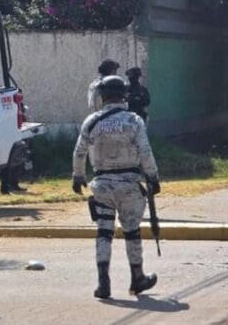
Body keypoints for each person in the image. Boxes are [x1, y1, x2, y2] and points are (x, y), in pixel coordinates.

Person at [72, 76, 160, 299]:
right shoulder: (134, 121)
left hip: (102, 185)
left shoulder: (91, 121)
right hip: (129, 185)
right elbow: (145, 152)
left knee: (104, 232)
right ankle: (137, 278)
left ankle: (103, 283)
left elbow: (80, 151)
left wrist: (78, 176)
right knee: (132, 231)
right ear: (124, 95)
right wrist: (153, 177)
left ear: (102, 96)